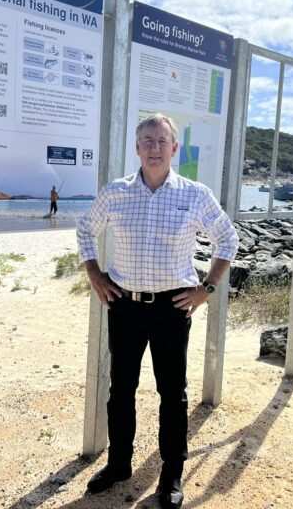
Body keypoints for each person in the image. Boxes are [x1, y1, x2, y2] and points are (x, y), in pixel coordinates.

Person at [76, 114, 239, 508]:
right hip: (125, 305)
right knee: (121, 391)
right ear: (137, 147)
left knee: (172, 393)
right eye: (147, 140)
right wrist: (95, 274)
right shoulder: (115, 192)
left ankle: (170, 475)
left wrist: (207, 289)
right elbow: (85, 230)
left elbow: (227, 239)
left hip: (172, 308)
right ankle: (119, 465)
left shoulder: (194, 194)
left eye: (161, 141)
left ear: (174, 149)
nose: (154, 147)